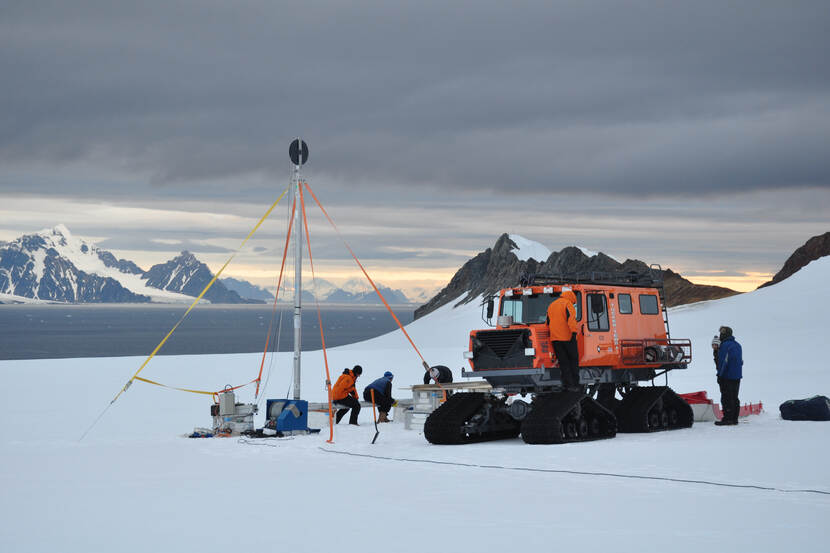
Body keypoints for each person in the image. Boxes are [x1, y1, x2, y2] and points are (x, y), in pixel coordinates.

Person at [547, 289, 581, 391]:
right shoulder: (568, 304)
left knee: (563, 362)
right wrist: (574, 333)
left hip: (555, 339)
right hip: (567, 337)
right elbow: (571, 319)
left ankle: (567, 384)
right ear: (571, 298)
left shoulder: (551, 305)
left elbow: (547, 322)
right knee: (573, 360)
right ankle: (575, 384)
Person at [714, 326, 743, 426]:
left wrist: (720, 375)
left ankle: (728, 418)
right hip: (737, 376)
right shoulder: (737, 345)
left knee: (726, 397)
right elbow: (740, 361)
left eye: (722, 333)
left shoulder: (724, 346)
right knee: (734, 397)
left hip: (727, 376)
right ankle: (734, 418)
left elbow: (723, 363)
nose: (720, 335)